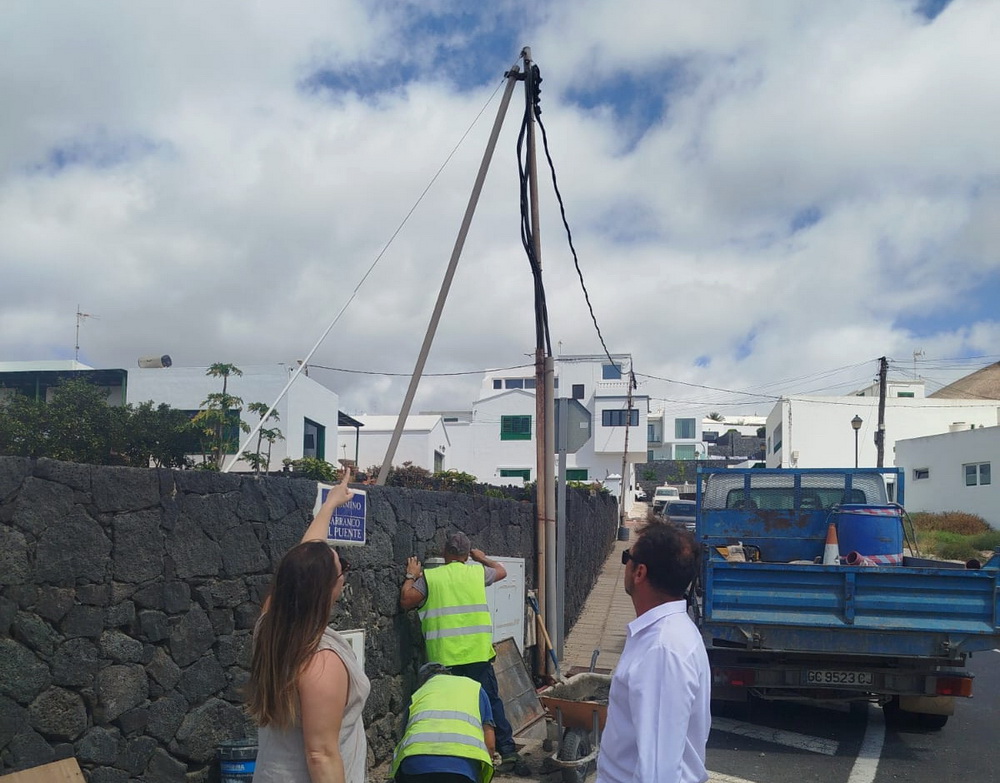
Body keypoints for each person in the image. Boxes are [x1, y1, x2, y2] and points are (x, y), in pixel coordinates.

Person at [247, 468, 371, 783]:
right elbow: (321, 755)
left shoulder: (271, 628)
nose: (343, 569)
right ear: (330, 587)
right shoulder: (321, 661)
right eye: (340, 566)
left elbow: (302, 562)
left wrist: (329, 506)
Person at [399, 532, 527, 775]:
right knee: (489, 702)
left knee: (447, 706)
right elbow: (501, 571)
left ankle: (451, 752)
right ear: (467, 555)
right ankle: (507, 751)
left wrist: (410, 576)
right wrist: (482, 558)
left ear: (444, 552)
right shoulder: (477, 573)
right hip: (477, 654)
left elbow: (406, 600)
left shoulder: (431, 577)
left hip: (444, 659)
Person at [595, 522, 711, 783]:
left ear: (640, 573)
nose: (624, 564)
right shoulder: (670, 633)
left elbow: (659, 772)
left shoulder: (661, 649)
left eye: (627, 558)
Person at [390, 662, 495, 783]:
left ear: (423, 681)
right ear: (448, 673)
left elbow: (404, 736)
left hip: (415, 766)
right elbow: (490, 744)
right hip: (462, 769)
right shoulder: (475, 688)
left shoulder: (419, 694)